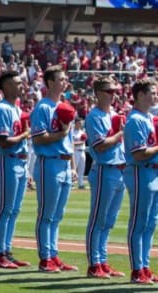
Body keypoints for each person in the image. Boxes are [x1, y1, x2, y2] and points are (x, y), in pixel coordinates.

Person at [31, 65, 78, 273]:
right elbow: (39, 138)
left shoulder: (65, 107)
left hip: (65, 162)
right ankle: (45, 258)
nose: (64, 82)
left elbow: (70, 141)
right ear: (50, 82)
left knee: (58, 214)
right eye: (60, 79)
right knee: (47, 214)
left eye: (65, 79)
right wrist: (61, 133)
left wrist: (74, 165)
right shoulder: (43, 107)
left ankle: (53, 254)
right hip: (48, 162)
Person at [84, 76, 126, 279]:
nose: (113, 94)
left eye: (115, 91)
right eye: (109, 91)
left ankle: (102, 260)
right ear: (99, 93)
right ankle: (94, 264)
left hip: (119, 169)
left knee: (109, 221)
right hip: (104, 169)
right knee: (98, 220)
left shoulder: (115, 114)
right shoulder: (94, 116)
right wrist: (119, 135)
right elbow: (99, 145)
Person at [0, 71, 31, 269]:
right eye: (16, 83)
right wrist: (24, 135)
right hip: (7, 160)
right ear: (5, 86)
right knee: (6, 208)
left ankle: (7, 250)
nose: (20, 86)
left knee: (14, 209)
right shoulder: (2, 109)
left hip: (19, 161)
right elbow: (4, 141)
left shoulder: (16, 108)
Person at [123, 78, 158, 284]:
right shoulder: (135, 119)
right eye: (151, 93)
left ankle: (144, 266)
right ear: (140, 95)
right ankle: (137, 269)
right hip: (140, 171)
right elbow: (139, 153)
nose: (155, 96)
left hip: (153, 173)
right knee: (139, 223)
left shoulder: (147, 118)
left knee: (150, 224)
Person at [73, 119, 88, 189]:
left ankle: (80, 183)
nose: (80, 124)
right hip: (75, 151)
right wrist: (80, 142)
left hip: (82, 151)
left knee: (82, 168)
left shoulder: (82, 132)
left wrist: (83, 141)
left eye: (81, 123)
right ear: (75, 123)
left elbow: (84, 141)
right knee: (74, 168)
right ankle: (72, 183)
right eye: (79, 123)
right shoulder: (72, 132)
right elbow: (71, 143)